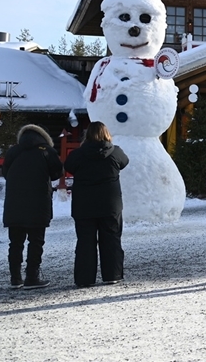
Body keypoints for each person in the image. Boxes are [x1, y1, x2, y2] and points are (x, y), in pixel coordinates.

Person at [64, 122, 129, 287]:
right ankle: (112, 274)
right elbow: (125, 162)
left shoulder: (78, 154)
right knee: (112, 239)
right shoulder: (116, 152)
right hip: (110, 204)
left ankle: (85, 278)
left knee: (85, 241)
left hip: (84, 205)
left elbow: (68, 166)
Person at [2, 124, 63, 289]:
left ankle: (15, 278)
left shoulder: (13, 151)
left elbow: (6, 173)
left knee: (15, 242)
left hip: (14, 203)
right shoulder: (46, 151)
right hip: (38, 202)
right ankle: (32, 276)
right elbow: (57, 172)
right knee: (36, 241)